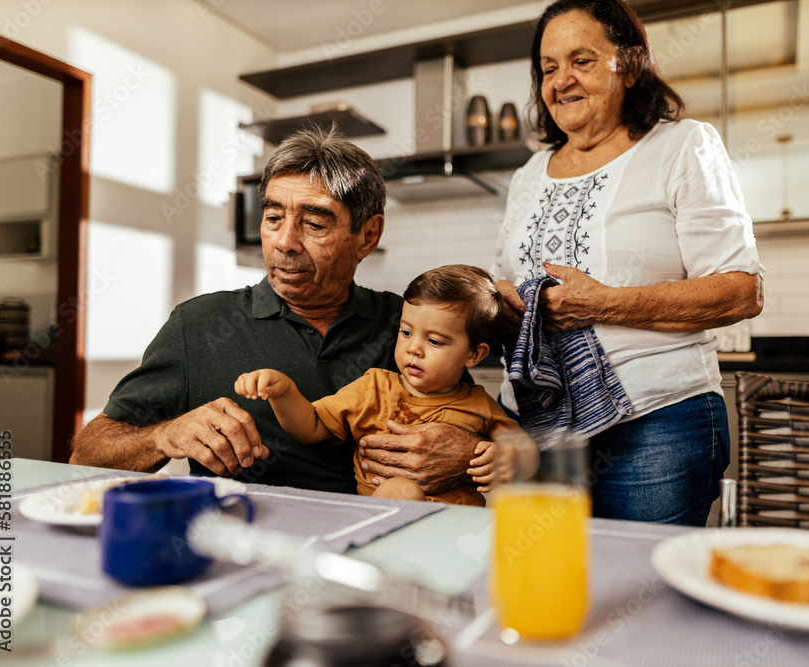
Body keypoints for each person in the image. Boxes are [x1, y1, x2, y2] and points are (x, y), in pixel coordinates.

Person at [70, 128, 480, 495]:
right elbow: (86, 456)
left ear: (368, 235)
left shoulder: (409, 326)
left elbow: (480, 430)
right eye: (272, 218)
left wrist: (467, 452)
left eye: (314, 225)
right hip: (243, 545)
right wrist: (165, 435)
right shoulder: (198, 325)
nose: (285, 241)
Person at [491, 0, 765, 526]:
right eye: (548, 68)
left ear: (631, 64)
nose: (561, 81)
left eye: (582, 61)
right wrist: (503, 306)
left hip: (657, 421)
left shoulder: (683, 146)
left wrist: (604, 304)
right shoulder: (528, 173)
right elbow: (505, 277)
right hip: (537, 421)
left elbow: (741, 291)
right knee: (551, 579)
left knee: (640, 589)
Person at [235, 264, 525, 506]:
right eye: (406, 332)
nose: (414, 349)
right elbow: (309, 426)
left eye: (434, 341)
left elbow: (524, 452)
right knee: (405, 491)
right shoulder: (373, 387)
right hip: (385, 527)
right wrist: (284, 391)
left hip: (457, 532)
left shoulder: (480, 403)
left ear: (475, 354)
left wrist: (501, 457)